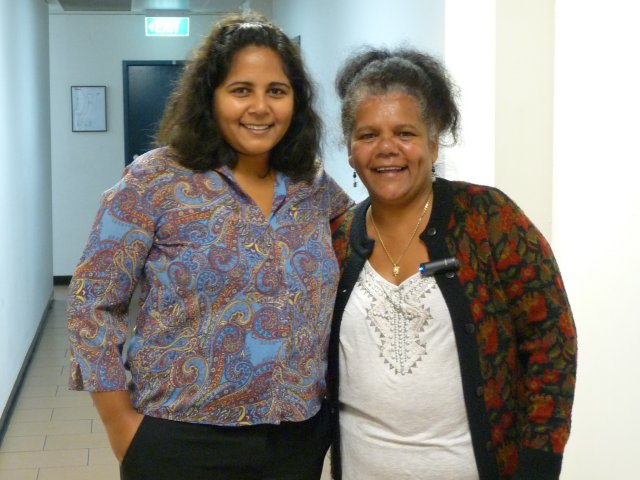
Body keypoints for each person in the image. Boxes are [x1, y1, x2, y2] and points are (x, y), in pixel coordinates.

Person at [67, 12, 352, 480]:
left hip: (295, 438)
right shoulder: (155, 180)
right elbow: (90, 302)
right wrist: (122, 426)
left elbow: (359, 254)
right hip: (182, 440)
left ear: (295, 102)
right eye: (241, 90)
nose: (260, 107)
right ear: (210, 97)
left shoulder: (312, 185)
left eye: (276, 91)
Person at [328, 47, 577, 480]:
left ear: (433, 138)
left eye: (404, 132)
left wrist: (540, 461)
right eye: (368, 135)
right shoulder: (336, 239)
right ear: (350, 150)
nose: (387, 149)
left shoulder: (490, 218)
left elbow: (551, 343)